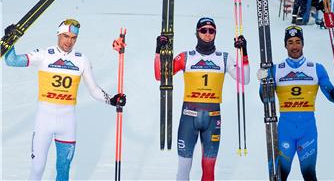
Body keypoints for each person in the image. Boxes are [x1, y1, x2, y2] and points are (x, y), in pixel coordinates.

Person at [4, 19, 126, 181]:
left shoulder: (81, 59)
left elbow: (94, 89)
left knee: (63, 170)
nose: (69, 41)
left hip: (67, 123)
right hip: (44, 122)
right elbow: (12, 61)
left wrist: (111, 100)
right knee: (37, 169)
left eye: (73, 38)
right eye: (65, 36)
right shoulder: (44, 55)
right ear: (58, 35)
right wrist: (8, 41)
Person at [154, 17, 250, 181]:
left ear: (215, 34)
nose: (207, 34)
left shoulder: (224, 58)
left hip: (213, 120)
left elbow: (245, 79)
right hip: (188, 118)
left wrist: (244, 53)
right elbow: (160, 75)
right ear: (197, 33)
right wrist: (159, 51)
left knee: (209, 169)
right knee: (184, 168)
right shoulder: (186, 57)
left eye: (211, 31)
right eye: (203, 30)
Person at [257, 25, 334, 180]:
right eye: (290, 42)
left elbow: (333, 97)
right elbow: (265, 99)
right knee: (280, 176)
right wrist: (263, 82)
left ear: (303, 44)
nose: (294, 46)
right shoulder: (275, 69)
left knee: (309, 174)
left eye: (298, 41)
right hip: (285, 132)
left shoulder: (316, 69)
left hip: (308, 132)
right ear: (285, 45)